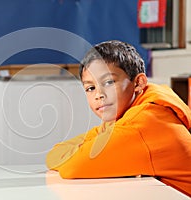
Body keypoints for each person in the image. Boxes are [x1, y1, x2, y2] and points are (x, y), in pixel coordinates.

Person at [46, 40, 191, 197]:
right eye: (90, 88)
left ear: (138, 83)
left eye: (108, 82)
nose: (98, 94)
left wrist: (81, 151)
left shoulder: (141, 124)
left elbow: (72, 166)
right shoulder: (136, 110)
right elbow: (56, 152)